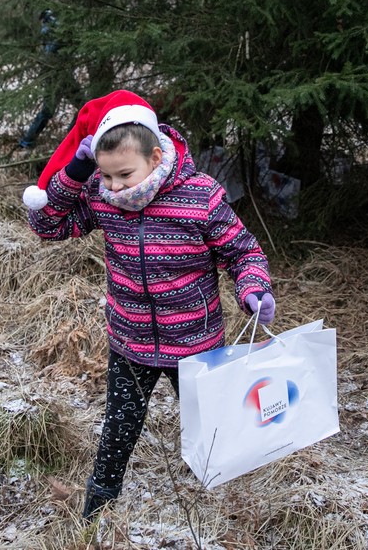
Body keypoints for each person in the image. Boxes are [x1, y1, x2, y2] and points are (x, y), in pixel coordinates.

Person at [24, 90, 275, 520]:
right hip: (131, 341)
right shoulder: (103, 198)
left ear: (156, 156)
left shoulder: (200, 197)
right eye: (106, 177)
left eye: (124, 174)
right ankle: (98, 507)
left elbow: (243, 251)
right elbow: (48, 225)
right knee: (119, 427)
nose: (116, 187)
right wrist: (76, 171)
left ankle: (221, 500)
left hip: (195, 344)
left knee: (209, 423)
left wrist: (253, 288)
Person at [18, 9, 82, 148]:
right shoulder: (55, 29)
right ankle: (68, 138)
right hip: (59, 75)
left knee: (48, 111)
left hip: (57, 74)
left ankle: (27, 141)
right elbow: (51, 52)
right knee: (81, 105)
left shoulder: (48, 30)